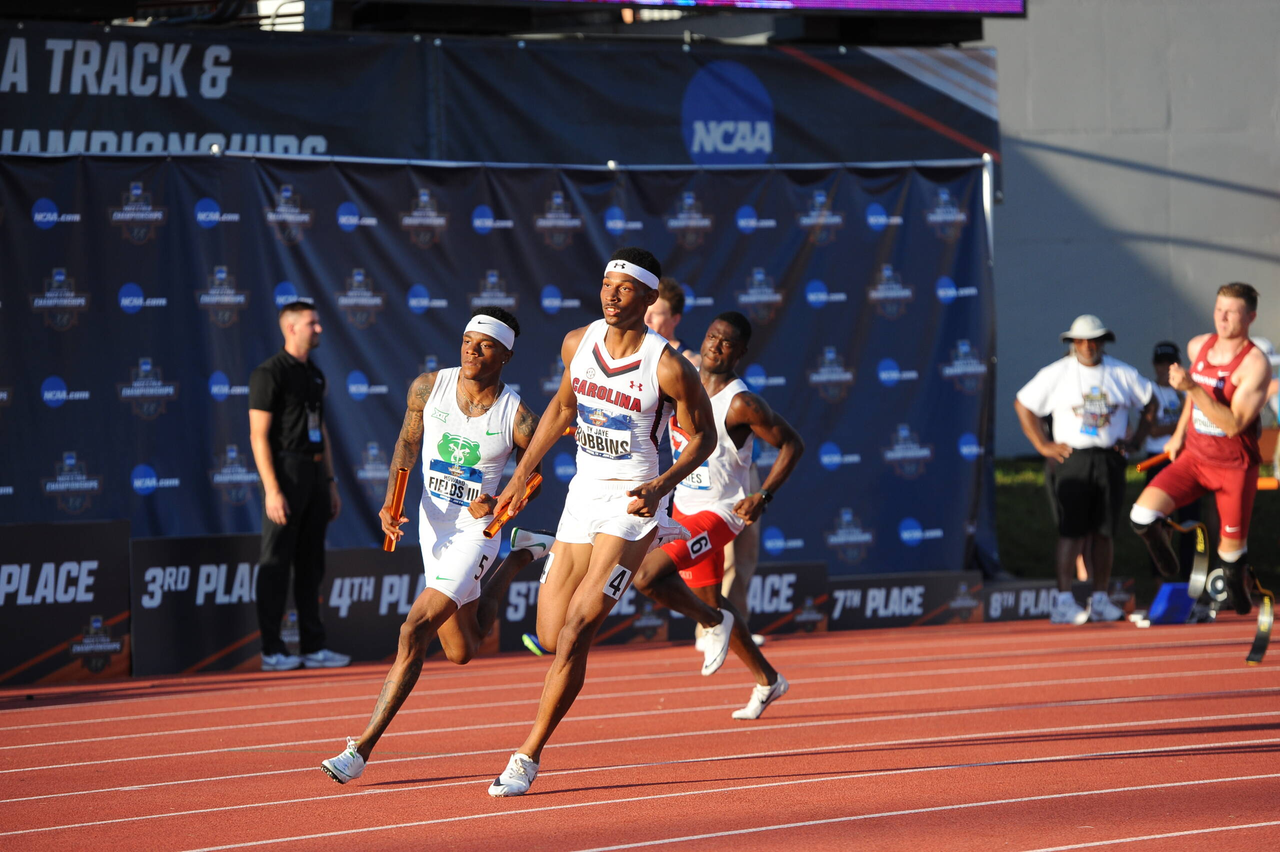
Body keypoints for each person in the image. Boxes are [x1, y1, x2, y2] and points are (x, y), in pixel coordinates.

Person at [486, 247, 725, 797]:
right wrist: (521, 474)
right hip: (583, 496)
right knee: (551, 636)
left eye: (625, 288)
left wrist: (661, 487)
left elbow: (705, 439)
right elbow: (562, 409)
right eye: (606, 284)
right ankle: (543, 548)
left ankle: (526, 755)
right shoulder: (579, 342)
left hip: (633, 503)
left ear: (649, 297)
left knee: (576, 632)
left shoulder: (668, 366)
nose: (612, 296)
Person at [320, 307, 553, 784]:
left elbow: (535, 479)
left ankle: (360, 748)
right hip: (433, 527)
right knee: (462, 650)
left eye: (485, 345)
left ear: (505, 356)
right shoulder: (429, 387)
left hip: (475, 532)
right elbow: (407, 445)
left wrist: (499, 504)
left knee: (413, 630)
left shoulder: (518, 417)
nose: (472, 350)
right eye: (467, 340)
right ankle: (519, 557)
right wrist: (392, 502)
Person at [632, 311, 804, 719]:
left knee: (647, 576)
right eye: (712, 337)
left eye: (727, 343)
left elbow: (792, 444)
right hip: (684, 507)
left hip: (721, 513)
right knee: (710, 599)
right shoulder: (683, 382)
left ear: (740, 352)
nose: (715, 346)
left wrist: (763, 495)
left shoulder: (742, 403)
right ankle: (768, 680)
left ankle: (712, 622)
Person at [1130, 283, 1271, 614]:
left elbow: (1233, 424)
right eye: (1218, 309)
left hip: (1234, 466)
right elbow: (1193, 404)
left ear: (1250, 317)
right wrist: (1179, 435)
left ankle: (1237, 585)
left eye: (1231, 312)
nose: (1222, 318)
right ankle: (1168, 562)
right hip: (1195, 458)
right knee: (1141, 516)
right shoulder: (1199, 346)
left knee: (1230, 555)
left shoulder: (1255, 364)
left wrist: (1192, 386)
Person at [1014, 314, 1156, 625]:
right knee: (1072, 532)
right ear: (1073, 343)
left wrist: (1137, 441)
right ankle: (1063, 601)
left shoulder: (1121, 372)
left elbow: (1151, 401)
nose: (1088, 346)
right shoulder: (1057, 373)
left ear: (1103, 342)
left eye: (1094, 341)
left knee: (1104, 532)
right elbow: (1023, 404)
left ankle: (1100, 599)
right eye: (1081, 341)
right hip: (1073, 459)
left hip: (1109, 457)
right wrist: (1042, 445)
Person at [248, 301, 350, 672]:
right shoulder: (269, 373)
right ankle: (272, 650)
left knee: (312, 565)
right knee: (276, 562)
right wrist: (272, 490)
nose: (319, 328)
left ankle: (313, 646)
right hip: (285, 473)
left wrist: (331, 483)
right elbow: (258, 435)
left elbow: (320, 429)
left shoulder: (315, 374)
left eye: (318, 323)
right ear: (291, 328)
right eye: (312, 323)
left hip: (316, 474)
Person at [1141, 341, 1201, 578]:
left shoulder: (1187, 391)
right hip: (1157, 459)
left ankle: (1188, 580)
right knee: (1157, 524)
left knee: (1190, 522)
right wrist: (1181, 426)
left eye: (1170, 363)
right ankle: (1161, 582)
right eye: (1161, 363)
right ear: (1154, 365)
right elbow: (1152, 429)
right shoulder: (1148, 391)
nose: (1165, 368)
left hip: (1185, 459)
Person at [644, 277, 700, 367]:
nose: (646, 319)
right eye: (645, 311)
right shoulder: (628, 352)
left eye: (655, 314)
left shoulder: (687, 362)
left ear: (675, 319)